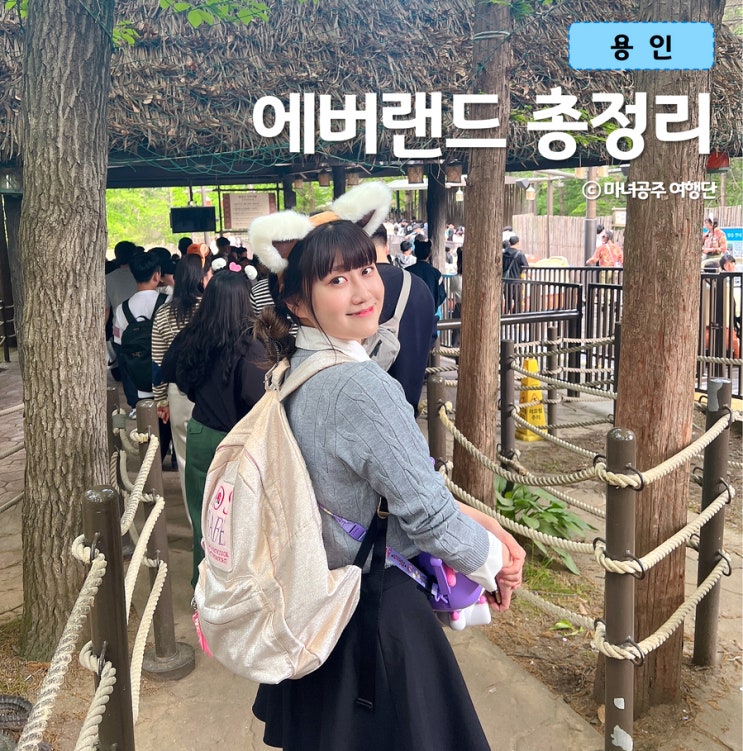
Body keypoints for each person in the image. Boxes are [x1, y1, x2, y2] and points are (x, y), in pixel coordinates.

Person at [249, 214, 525, 751]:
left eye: (367, 270)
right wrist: (496, 563)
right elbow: (427, 517)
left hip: (321, 597)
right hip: (374, 612)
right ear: (298, 302)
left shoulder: (293, 368)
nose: (362, 292)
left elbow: (368, 490)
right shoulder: (360, 385)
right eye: (337, 279)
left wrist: (479, 521)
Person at [160, 263, 266, 588]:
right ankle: (233, 591)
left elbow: (170, 370)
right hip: (239, 442)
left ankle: (201, 586)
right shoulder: (251, 345)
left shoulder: (193, 335)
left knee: (203, 518)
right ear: (245, 301)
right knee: (241, 522)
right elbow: (257, 398)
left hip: (200, 434)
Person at [152, 254, 213, 517]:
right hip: (213, 391)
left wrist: (160, 400)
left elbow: (157, 362)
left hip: (179, 395)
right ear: (202, 278)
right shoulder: (211, 309)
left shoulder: (164, 313)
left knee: (186, 461)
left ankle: (195, 521)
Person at [371, 225, 437, 413]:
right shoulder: (419, 287)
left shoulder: (353, 291)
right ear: (386, 247)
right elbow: (430, 336)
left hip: (368, 406)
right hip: (408, 405)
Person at [406, 238, 447, 316]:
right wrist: (434, 306)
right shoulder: (436, 273)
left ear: (415, 253)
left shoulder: (407, 271)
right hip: (430, 313)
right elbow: (442, 295)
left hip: (411, 314)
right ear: (429, 254)